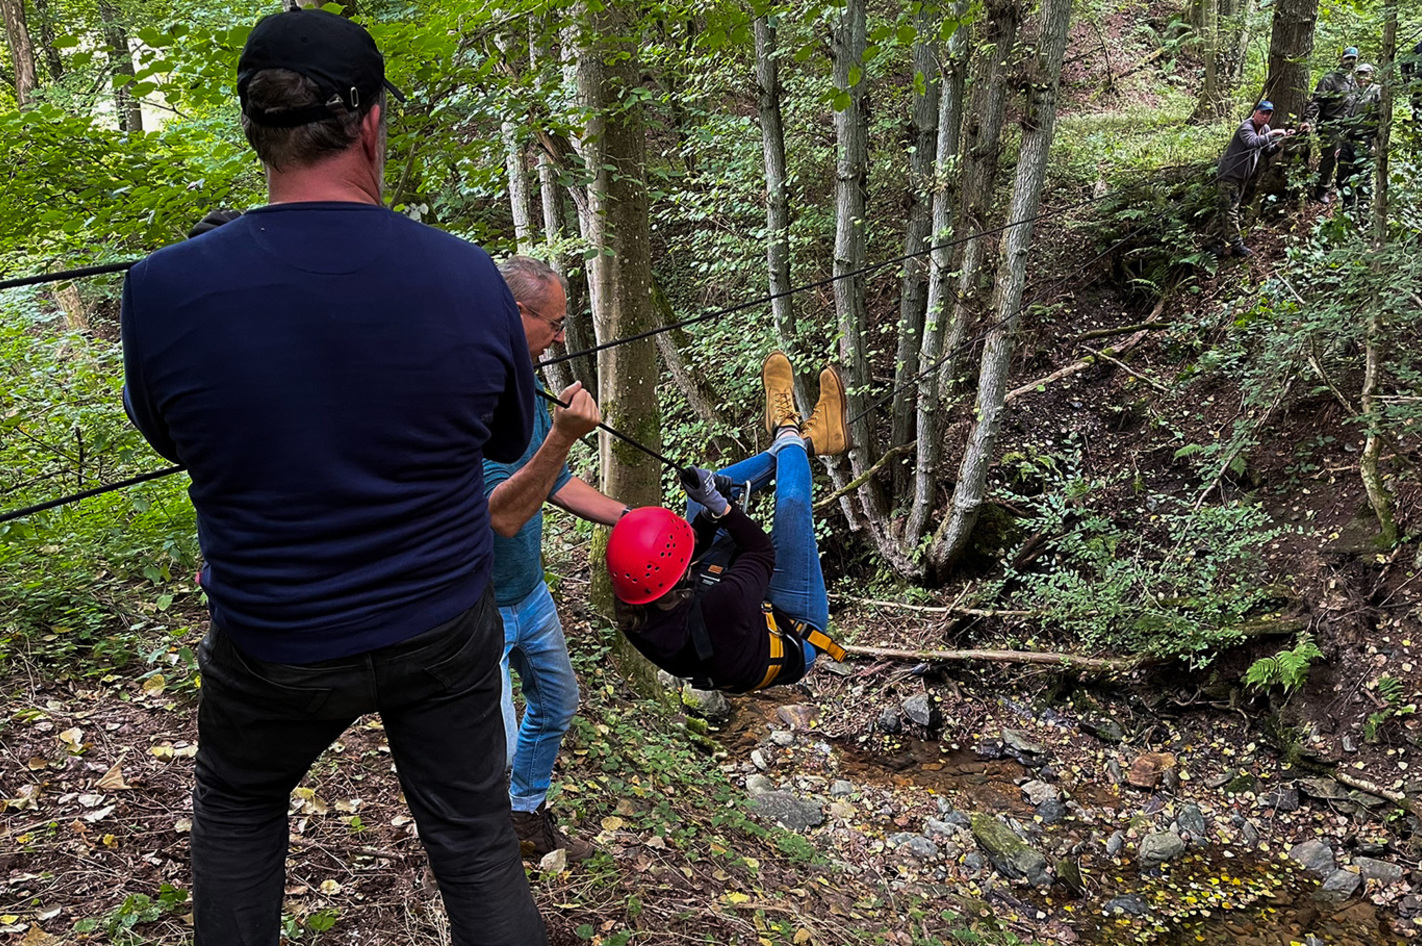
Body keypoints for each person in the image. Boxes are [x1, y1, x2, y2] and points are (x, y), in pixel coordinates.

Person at [119, 10, 546, 944]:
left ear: (254, 129)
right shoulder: (470, 279)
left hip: (273, 632)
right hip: (437, 622)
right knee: (475, 846)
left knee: (238, 810)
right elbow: (510, 430)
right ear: (371, 123)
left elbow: (171, 435)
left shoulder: (161, 289)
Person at [486, 256, 627, 862]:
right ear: (516, 313)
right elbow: (503, 513)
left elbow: (557, 484)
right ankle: (485, 852)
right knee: (494, 747)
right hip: (475, 605)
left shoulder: (529, 387)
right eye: (556, 322)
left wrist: (635, 518)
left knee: (558, 702)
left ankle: (523, 814)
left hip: (529, 592)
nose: (562, 336)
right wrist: (564, 433)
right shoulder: (473, 392)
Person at [606, 352, 850, 693]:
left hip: (727, 621)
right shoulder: (724, 603)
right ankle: (790, 432)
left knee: (697, 497)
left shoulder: (634, 602)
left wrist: (707, 510)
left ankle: (799, 441)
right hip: (792, 628)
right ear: (681, 576)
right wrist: (721, 507)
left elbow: (690, 548)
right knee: (792, 506)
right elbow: (762, 551)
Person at [1207, 101, 1289, 259]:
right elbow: (1253, 142)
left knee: (1225, 209)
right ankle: (1236, 245)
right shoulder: (1247, 127)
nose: (1265, 117)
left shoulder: (1264, 129)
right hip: (1229, 175)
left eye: (1268, 114)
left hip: (1242, 178)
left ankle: (1210, 241)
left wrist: (1281, 142)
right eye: (1262, 113)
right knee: (1231, 211)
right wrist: (1273, 134)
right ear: (1255, 113)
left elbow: (1268, 151)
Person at [1305, 46, 1360, 202]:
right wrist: (1308, 120)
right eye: (1348, 58)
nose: (1350, 62)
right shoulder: (1329, 79)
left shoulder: (1353, 81)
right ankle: (1322, 188)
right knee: (1330, 157)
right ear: (1341, 59)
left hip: (1348, 126)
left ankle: (1342, 186)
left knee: (1347, 157)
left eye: (1353, 59)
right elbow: (1317, 102)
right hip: (1330, 124)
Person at [1338, 62, 1382, 209]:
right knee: (1344, 176)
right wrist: (1340, 144)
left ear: (1372, 76)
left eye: (1366, 74)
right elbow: (1344, 119)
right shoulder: (1352, 93)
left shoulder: (1377, 91)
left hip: (1365, 141)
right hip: (1347, 141)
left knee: (1363, 178)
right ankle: (1347, 209)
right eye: (1360, 74)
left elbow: (1381, 120)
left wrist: (1375, 144)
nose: (1362, 77)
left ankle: (1363, 212)